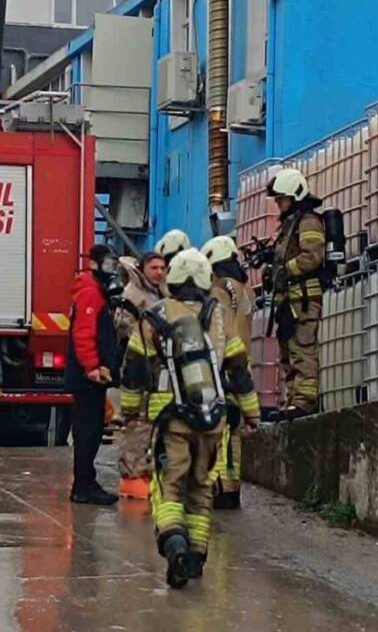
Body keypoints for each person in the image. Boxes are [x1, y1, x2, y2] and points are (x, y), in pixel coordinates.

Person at [120, 249, 260, 588]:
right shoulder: (220, 318)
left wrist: (130, 410)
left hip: (171, 421)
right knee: (200, 490)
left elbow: (135, 370)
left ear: (174, 279)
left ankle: (175, 546)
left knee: (169, 486)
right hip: (213, 421)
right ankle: (195, 558)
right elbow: (239, 369)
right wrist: (251, 413)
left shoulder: (154, 317)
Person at [202, 236, 257, 510]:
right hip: (243, 364)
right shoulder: (246, 289)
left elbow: (218, 329)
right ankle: (232, 488)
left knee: (219, 430)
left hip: (223, 365)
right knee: (234, 431)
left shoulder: (219, 288)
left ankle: (221, 489)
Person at [65, 243, 122, 506]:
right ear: (95, 264)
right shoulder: (90, 292)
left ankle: (86, 481)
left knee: (92, 428)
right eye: (108, 263)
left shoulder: (95, 291)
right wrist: (92, 367)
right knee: (88, 430)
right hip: (89, 375)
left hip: (93, 373)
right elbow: (84, 333)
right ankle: (83, 484)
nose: (112, 269)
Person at [268, 168, 325, 419]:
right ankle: (292, 399)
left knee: (302, 347)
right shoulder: (289, 224)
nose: (279, 203)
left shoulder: (308, 221)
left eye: (282, 198)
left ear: (295, 195)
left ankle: (305, 401)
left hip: (303, 298)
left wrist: (285, 269)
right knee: (287, 350)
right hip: (288, 299)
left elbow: (312, 256)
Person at [113, 252, 167, 500]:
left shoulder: (161, 293)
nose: (159, 271)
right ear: (143, 269)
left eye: (162, 267)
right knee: (134, 422)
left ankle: (146, 471)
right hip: (138, 365)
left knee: (153, 421)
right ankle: (132, 476)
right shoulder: (133, 295)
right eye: (154, 267)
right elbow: (124, 328)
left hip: (158, 368)